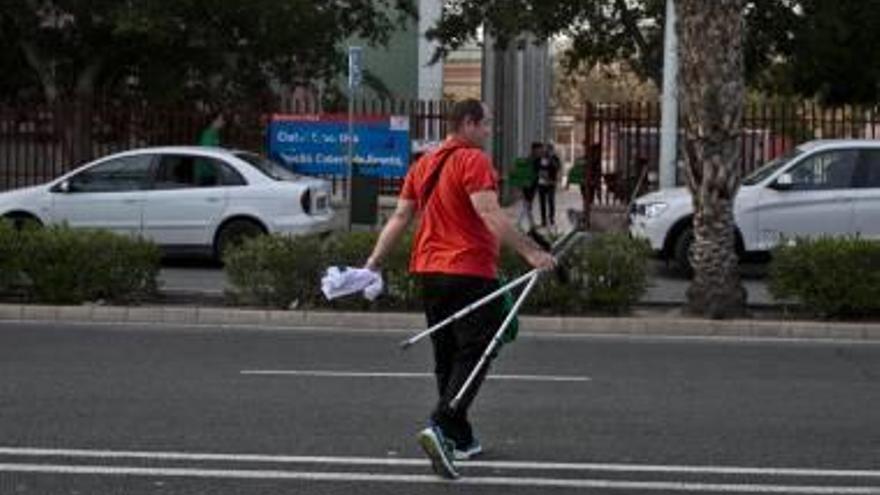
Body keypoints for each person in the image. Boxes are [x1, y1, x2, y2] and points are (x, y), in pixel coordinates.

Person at [364, 98, 556, 480]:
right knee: (478, 350)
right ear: (468, 123)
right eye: (486, 124)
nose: (490, 131)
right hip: (468, 270)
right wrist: (532, 252)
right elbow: (488, 213)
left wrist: (373, 262)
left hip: (429, 273)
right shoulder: (473, 161)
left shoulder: (425, 164)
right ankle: (441, 423)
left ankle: (461, 437)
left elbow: (401, 217)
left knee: (448, 357)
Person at [536, 142, 561, 229]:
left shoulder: (555, 158)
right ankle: (543, 220)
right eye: (546, 149)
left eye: (550, 149)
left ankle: (551, 218)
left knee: (551, 201)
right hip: (542, 183)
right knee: (542, 202)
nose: (547, 151)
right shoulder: (540, 158)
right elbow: (536, 168)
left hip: (551, 183)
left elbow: (557, 168)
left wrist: (550, 159)